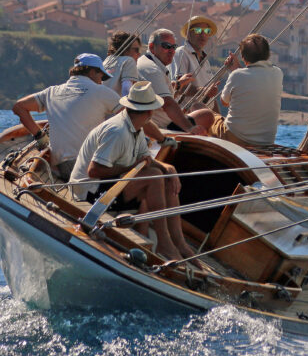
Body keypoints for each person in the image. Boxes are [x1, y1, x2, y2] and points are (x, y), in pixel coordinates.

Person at [68, 82, 193, 261]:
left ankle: (179, 243)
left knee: (164, 176)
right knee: (154, 177)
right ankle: (165, 243)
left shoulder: (135, 127)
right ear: (150, 112)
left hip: (109, 185)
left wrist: (168, 168)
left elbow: (145, 158)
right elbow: (93, 171)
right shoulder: (117, 131)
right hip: (89, 193)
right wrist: (131, 166)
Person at [12, 53, 121, 181]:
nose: (101, 81)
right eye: (101, 76)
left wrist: (40, 136)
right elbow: (132, 117)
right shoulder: (102, 92)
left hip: (63, 169)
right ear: (92, 72)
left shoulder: (52, 92)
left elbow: (19, 107)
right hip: (89, 168)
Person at [209, 33, 283, 146]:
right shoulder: (278, 73)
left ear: (243, 57)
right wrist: (237, 69)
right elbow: (255, 80)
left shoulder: (237, 75)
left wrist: (234, 71)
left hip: (236, 138)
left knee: (202, 112)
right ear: (268, 55)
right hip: (266, 141)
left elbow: (224, 102)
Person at [137, 28, 214, 135]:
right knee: (206, 115)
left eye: (174, 47)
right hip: (162, 126)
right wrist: (190, 128)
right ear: (152, 47)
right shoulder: (152, 70)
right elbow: (168, 104)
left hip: (161, 121)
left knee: (198, 108)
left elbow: (161, 92)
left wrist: (178, 84)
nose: (172, 51)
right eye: (166, 46)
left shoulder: (148, 63)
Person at [170, 15, 219, 102]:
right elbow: (179, 87)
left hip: (205, 109)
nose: (203, 35)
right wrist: (203, 91)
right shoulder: (181, 53)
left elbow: (210, 95)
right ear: (188, 34)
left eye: (207, 31)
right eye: (198, 30)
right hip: (186, 110)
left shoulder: (205, 61)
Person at [103, 31, 143, 97]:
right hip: (118, 102)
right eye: (136, 50)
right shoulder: (129, 60)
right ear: (125, 49)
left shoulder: (107, 61)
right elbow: (126, 87)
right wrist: (127, 103)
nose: (139, 53)